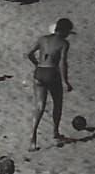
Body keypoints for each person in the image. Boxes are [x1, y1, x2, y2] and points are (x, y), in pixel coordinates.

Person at [27, 18, 73, 149]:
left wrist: (37, 64)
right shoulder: (63, 43)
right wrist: (65, 81)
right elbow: (63, 63)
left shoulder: (42, 39)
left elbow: (29, 54)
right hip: (52, 73)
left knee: (39, 107)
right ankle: (55, 133)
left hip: (39, 72)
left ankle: (32, 138)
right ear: (64, 31)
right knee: (57, 104)